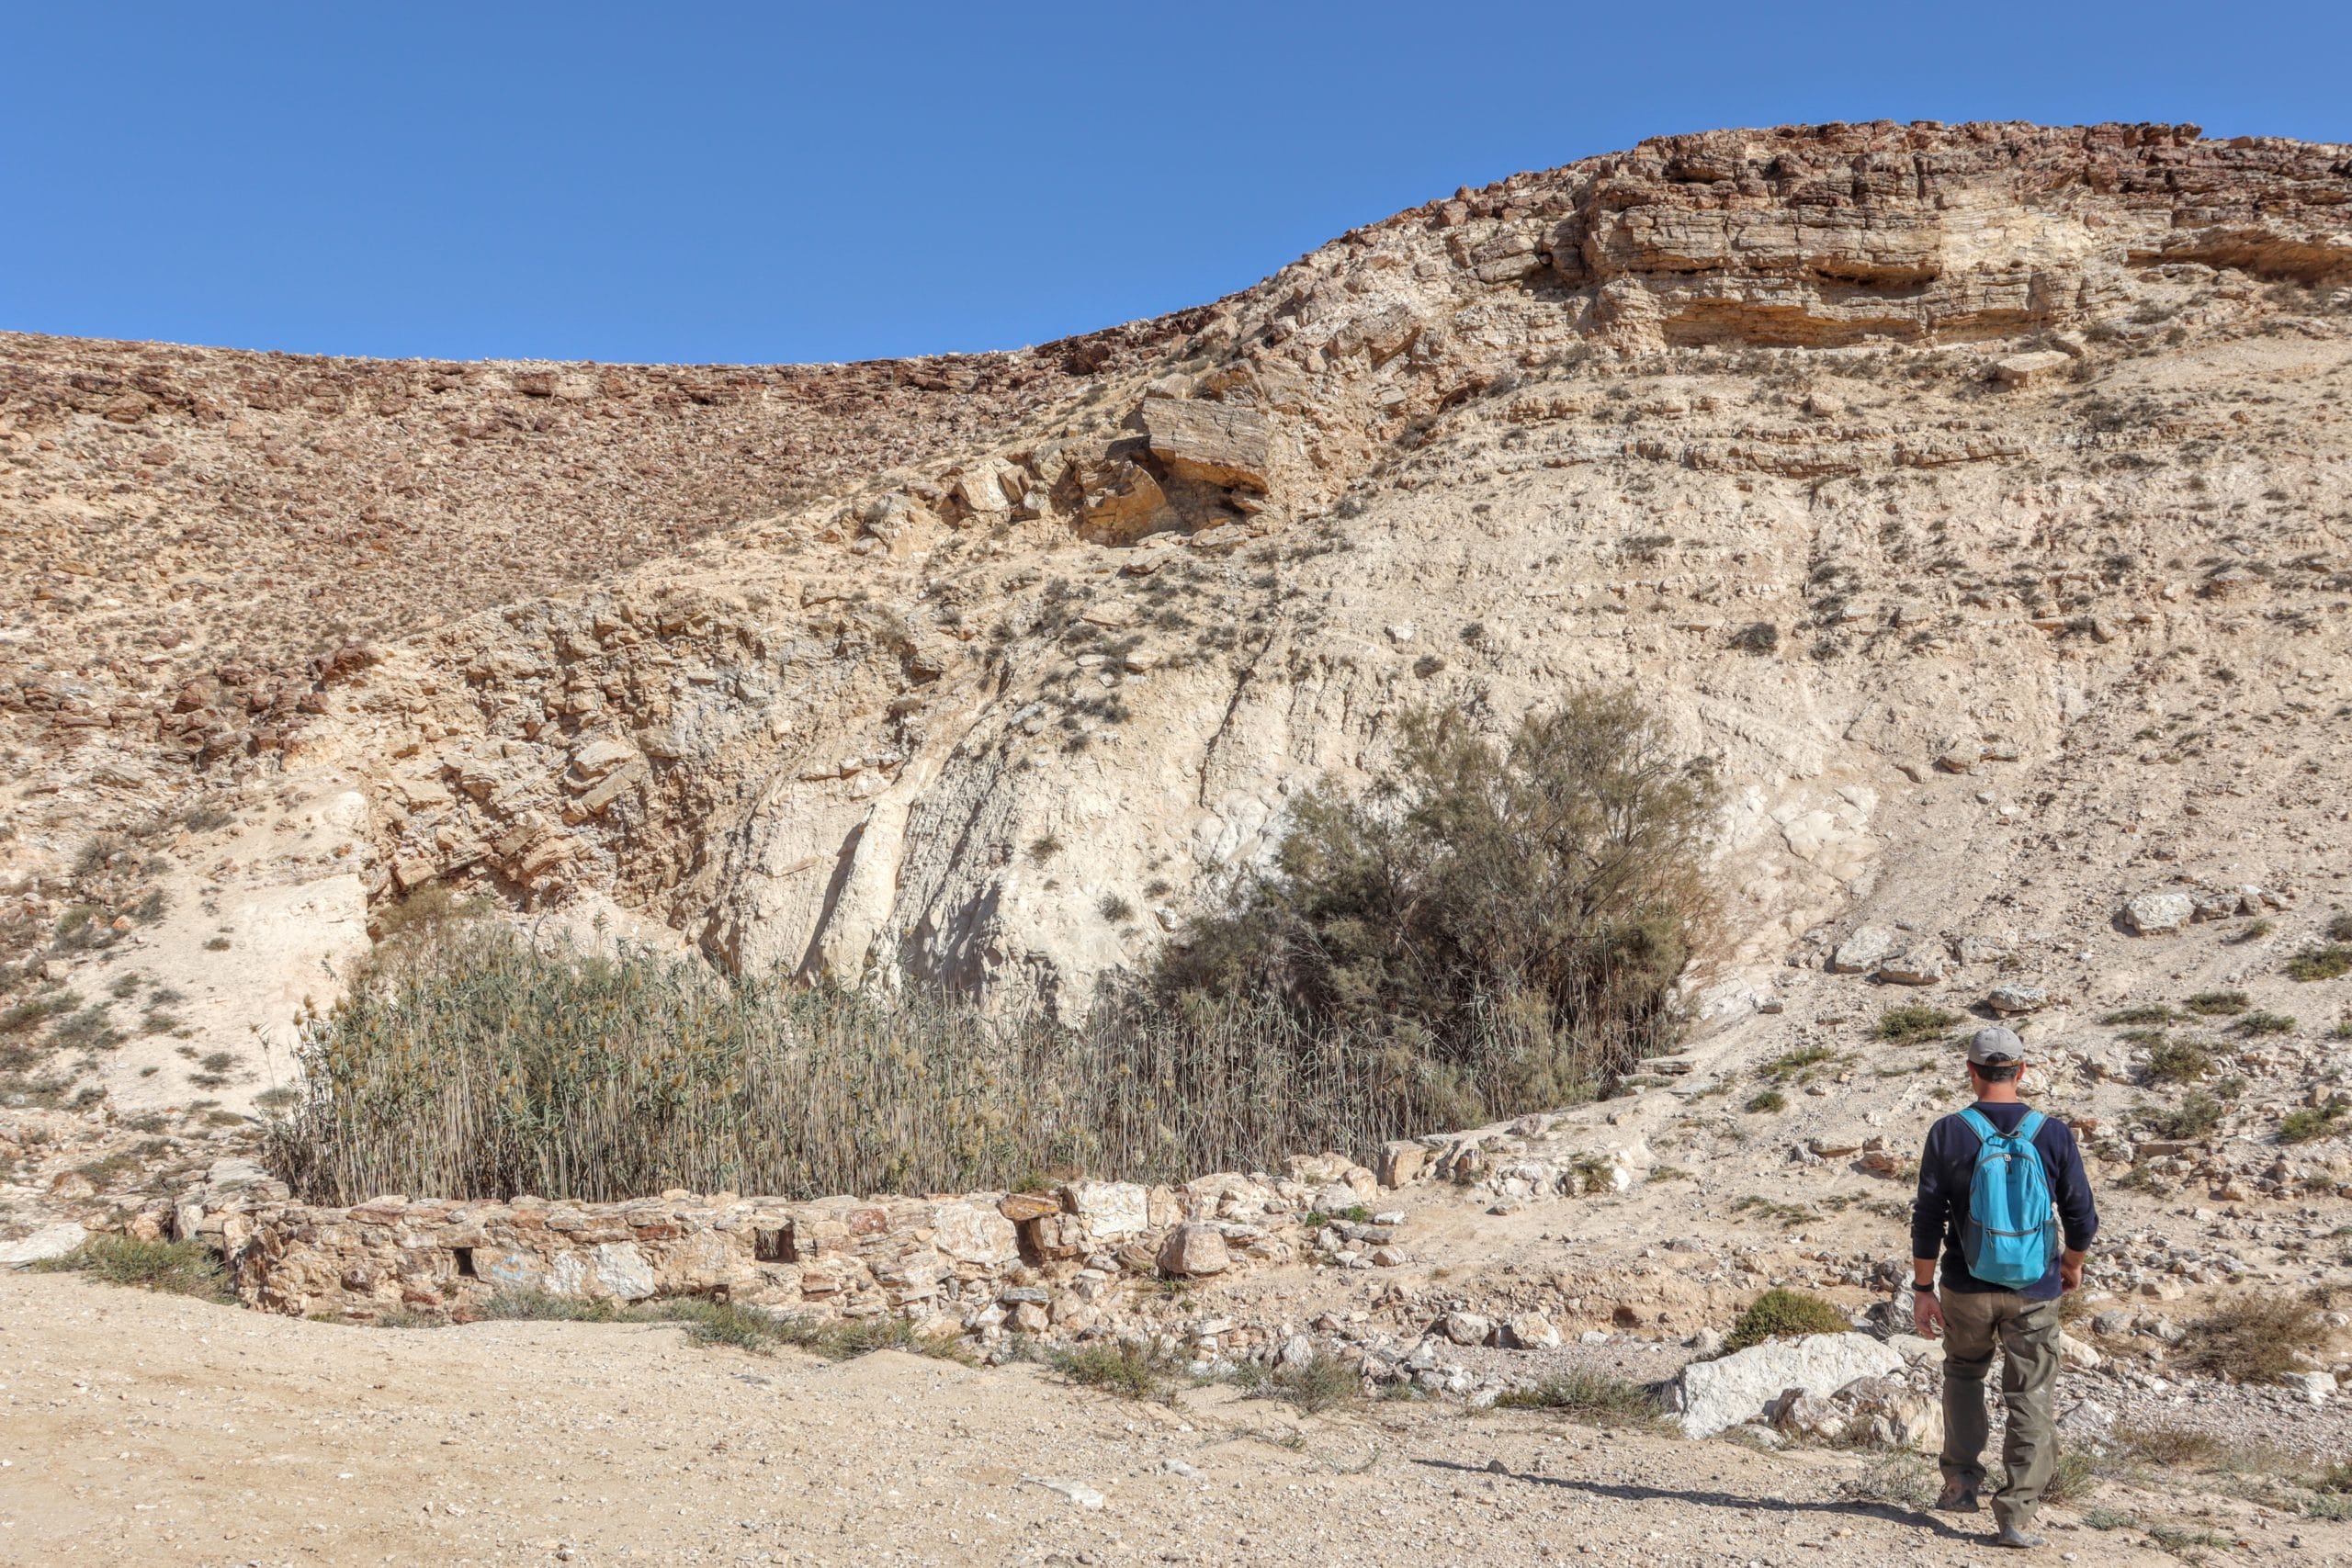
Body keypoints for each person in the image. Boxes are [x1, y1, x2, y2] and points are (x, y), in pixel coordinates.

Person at [1909, 1025, 2098, 1551]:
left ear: (1970, 1072)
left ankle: (1961, 1483)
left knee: (1964, 1373)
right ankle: (2015, 1515)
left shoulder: (1949, 1131)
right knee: (2030, 1393)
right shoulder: (2052, 1133)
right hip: (2034, 1287)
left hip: (1965, 1285)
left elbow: (1927, 1218)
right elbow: (2082, 1216)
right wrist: (2072, 1264)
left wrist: (1923, 1287)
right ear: (2021, 1070)